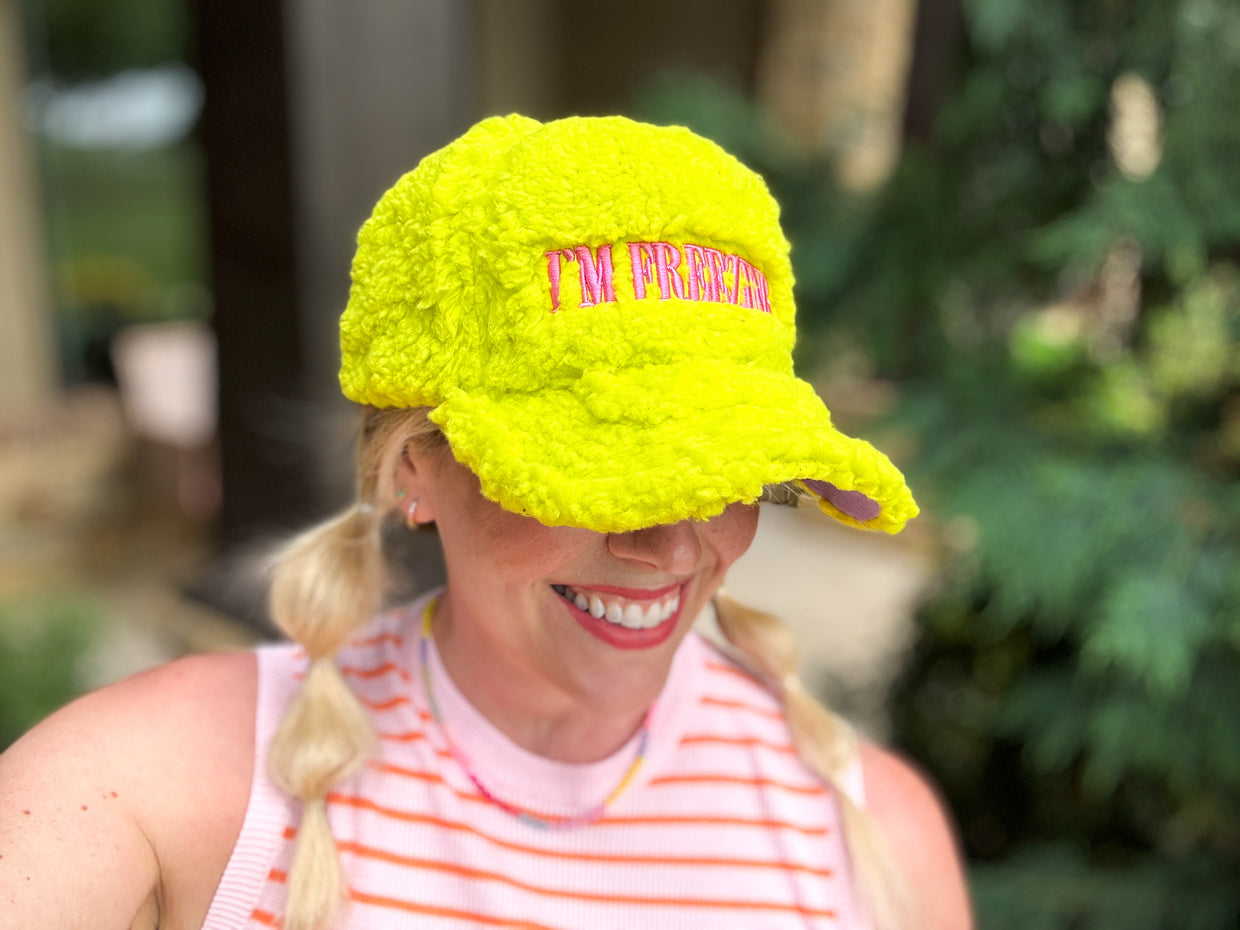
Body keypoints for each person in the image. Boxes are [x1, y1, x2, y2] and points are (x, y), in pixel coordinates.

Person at [0, 114, 971, 929]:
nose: (674, 546)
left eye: (727, 474)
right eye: (600, 473)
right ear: (412, 468)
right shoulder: (168, 787)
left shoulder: (870, 837)